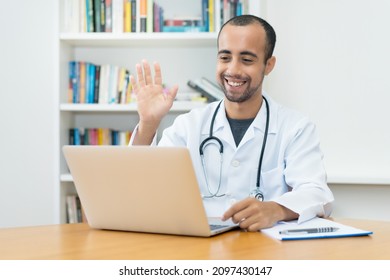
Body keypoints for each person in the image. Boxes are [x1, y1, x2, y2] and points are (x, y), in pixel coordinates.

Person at [128, 14, 334, 231]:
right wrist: (148, 124)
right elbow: (145, 186)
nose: (233, 70)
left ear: (268, 65)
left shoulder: (295, 127)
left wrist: (276, 209)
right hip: (200, 250)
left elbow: (317, 193)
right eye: (225, 57)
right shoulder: (188, 126)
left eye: (247, 60)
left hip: (266, 251)